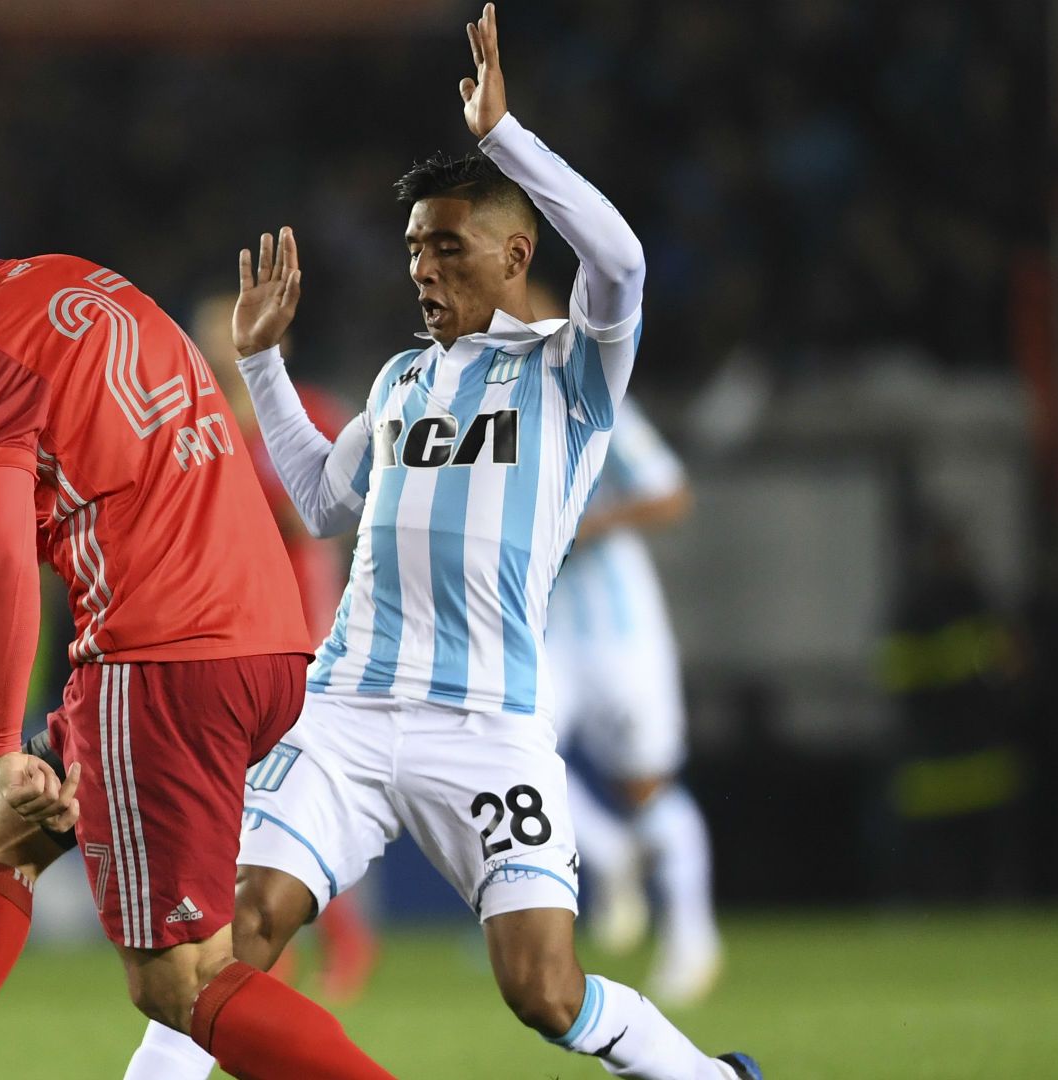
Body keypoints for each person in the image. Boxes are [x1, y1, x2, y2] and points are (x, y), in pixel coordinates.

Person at [126, 7, 761, 1078]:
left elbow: (624, 257)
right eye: (414, 247)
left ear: (516, 253)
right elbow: (324, 502)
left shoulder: (572, 372)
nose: (422, 268)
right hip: (349, 712)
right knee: (233, 935)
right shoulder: (402, 379)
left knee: (544, 990)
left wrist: (505, 135)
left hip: (486, 724)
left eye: (447, 246)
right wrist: (267, 367)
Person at [0, 163, 395, 1080]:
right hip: (264, 643)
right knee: (4, 831)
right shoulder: (73, 282)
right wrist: (39, 516)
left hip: (161, 660)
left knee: (181, 985)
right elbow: (145, 447)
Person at [192, 293, 381, 1003]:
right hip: (221, 623)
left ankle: (338, 940)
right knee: (235, 792)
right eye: (208, 335)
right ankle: (291, 945)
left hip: (303, 625)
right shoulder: (191, 417)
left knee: (292, 791)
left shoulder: (307, 416)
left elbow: (330, 515)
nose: (218, 349)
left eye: (225, 335)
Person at [542, 395, 722, 1005]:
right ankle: (610, 852)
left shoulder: (598, 402)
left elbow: (670, 494)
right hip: (546, 629)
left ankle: (693, 938)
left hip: (623, 631)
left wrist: (590, 525)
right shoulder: (492, 408)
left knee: (646, 786)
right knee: (515, 757)